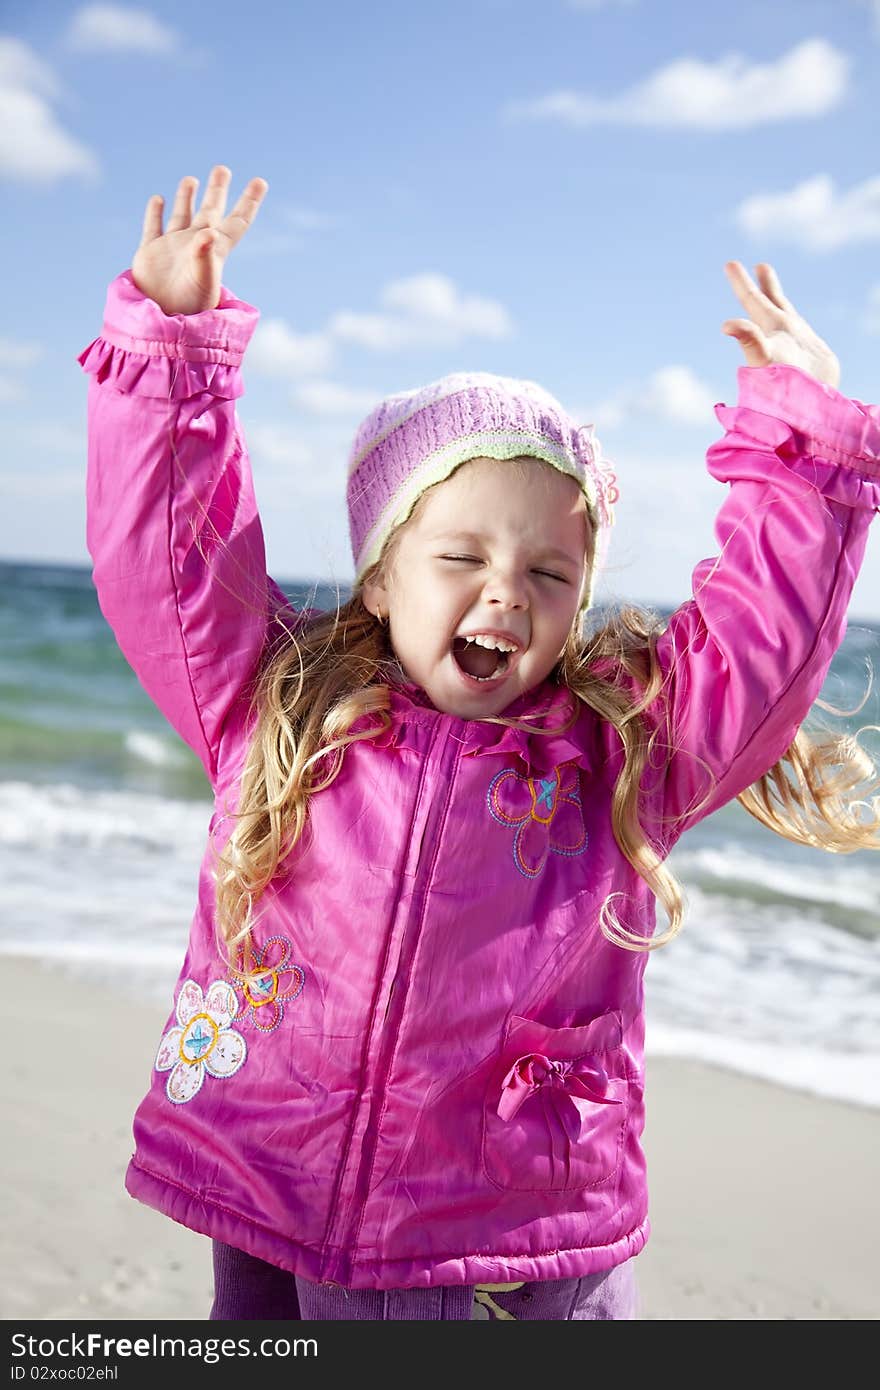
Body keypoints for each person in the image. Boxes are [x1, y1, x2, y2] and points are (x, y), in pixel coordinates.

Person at [79, 166, 880, 1322]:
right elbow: (165, 555)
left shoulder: (619, 757)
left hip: (509, 1230)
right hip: (278, 1180)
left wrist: (801, 444)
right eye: (460, 557)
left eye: (550, 572)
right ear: (381, 573)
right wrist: (172, 350)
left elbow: (757, 650)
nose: (505, 592)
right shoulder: (276, 705)